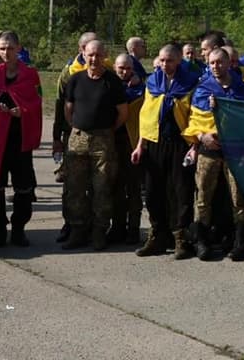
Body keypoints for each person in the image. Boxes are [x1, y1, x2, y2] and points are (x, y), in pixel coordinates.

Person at [184, 47, 244, 261]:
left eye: (220, 62)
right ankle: (201, 241)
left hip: (235, 153)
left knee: (238, 199)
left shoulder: (243, 89)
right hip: (208, 151)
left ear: (229, 63)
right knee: (203, 197)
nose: (216, 66)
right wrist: (201, 135)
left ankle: (240, 242)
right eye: (212, 63)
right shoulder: (203, 89)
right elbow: (194, 120)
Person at [133, 44, 200, 259]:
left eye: (169, 60)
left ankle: (181, 238)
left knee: (182, 192)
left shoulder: (191, 82)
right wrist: (140, 145)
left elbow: (196, 116)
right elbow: (146, 115)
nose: (165, 64)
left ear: (179, 60)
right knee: (153, 191)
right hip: (155, 142)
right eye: (161, 60)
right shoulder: (152, 82)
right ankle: (158, 235)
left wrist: (194, 145)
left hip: (181, 142)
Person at [61, 40, 128, 250]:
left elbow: (123, 113)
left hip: (104, 140)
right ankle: (78, 230)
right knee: (75, 187)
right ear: (83, 53)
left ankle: (99, 231)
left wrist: (106, 130)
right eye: (90, 54)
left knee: (102, 188)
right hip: (78, 138)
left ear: (105, 56)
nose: (94, 59)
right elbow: (68, 109)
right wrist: (78, 127)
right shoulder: (76, 79)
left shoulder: (113, 82)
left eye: (98, 55)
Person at [0, 31, 43, 247]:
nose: (6, 52)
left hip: (20, 137)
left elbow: (37, 102)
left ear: (19, 49)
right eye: (2, 48)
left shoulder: (31, 74)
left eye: (10, 48)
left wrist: (23, 111)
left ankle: (19, 228)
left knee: (23, 186)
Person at [53, 31, 99, 242]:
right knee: (72, 185)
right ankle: (70, 225)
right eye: (89, 48)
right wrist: (58, 138)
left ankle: (93, 226)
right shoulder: (69, 72)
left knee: (97, 184)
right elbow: (59, 105)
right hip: (72, 133)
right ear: (81, 50)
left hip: (100, 136)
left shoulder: (106, 69)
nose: (94, 54)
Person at [110, 54, 145, 245]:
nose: (124, 72)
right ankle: (117, 226)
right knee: (115, 187)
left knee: (133, 189)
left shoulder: (142, 89)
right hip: (112, 141)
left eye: (128, 68)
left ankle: (133, 228)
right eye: (121, 68)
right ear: (114, 67)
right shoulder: (109, 85)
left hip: (132, 142)